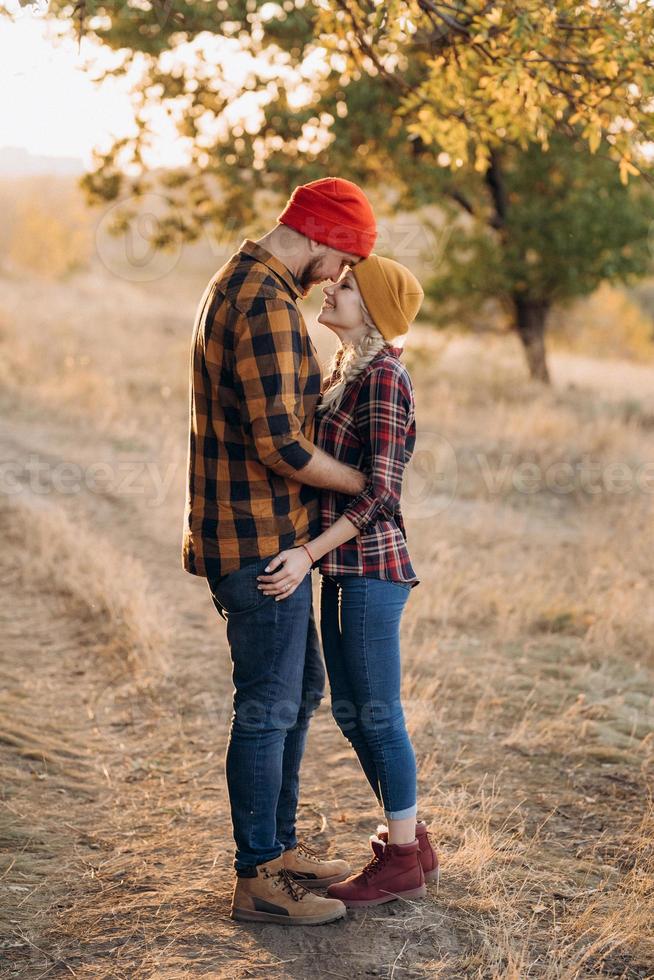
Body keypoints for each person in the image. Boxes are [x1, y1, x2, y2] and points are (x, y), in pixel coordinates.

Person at [182, 177, 380, 925]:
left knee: (296, 697)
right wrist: (366, 481)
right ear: (322, 240)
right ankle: (258, 879)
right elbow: (282, 445)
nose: (336, 279)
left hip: (264, 533)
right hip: (259, 542)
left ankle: (279, 850)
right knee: (267, 708)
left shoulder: (240, 280)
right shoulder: (264, 304)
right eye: (341, 262)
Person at [256, 254, 440, 908]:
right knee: (350, 709)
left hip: (369, 570)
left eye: (349, 286)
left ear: (376, 312)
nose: (331, 287)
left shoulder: (385, 376)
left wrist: (307, 554)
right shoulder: (346, 370)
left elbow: (382, 495)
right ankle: (411, 842)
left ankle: (400, 859)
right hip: (345, 570)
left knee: (377, 713)